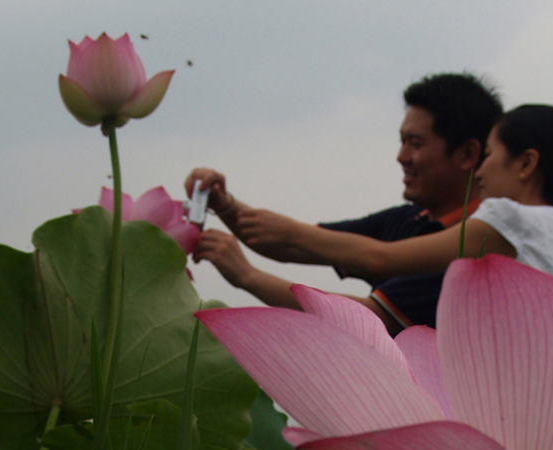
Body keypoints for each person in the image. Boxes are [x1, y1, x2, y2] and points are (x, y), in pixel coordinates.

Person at [187, 73, 504, 333]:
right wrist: (225, 204)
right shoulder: (408, 219)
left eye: (416, 144)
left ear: (468, 155)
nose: (401, 156)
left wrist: (248, 276)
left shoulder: (472, 251)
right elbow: (291, 244)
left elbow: (370, 316)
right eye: (402, 141)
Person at [238, 104, 553, 312]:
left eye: (490, 155)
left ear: (526, 164)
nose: (481, 170)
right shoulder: (548, 234)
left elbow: (380, 260)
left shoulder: (508, 220)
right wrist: (229, 209)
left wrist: (282, 238)